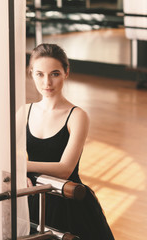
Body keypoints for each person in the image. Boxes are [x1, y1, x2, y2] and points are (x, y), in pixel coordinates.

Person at [26, 44, 114, 240]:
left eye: (54, 74)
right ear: (31, 74)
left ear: (66, 72)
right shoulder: (24, 112)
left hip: (68, 200)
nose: (47, 82)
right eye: (40, 74)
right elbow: (4, 153)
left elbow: (65, 168)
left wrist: (23, 167)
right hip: (33, 197)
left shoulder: (77, 116)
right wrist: (19, 172)